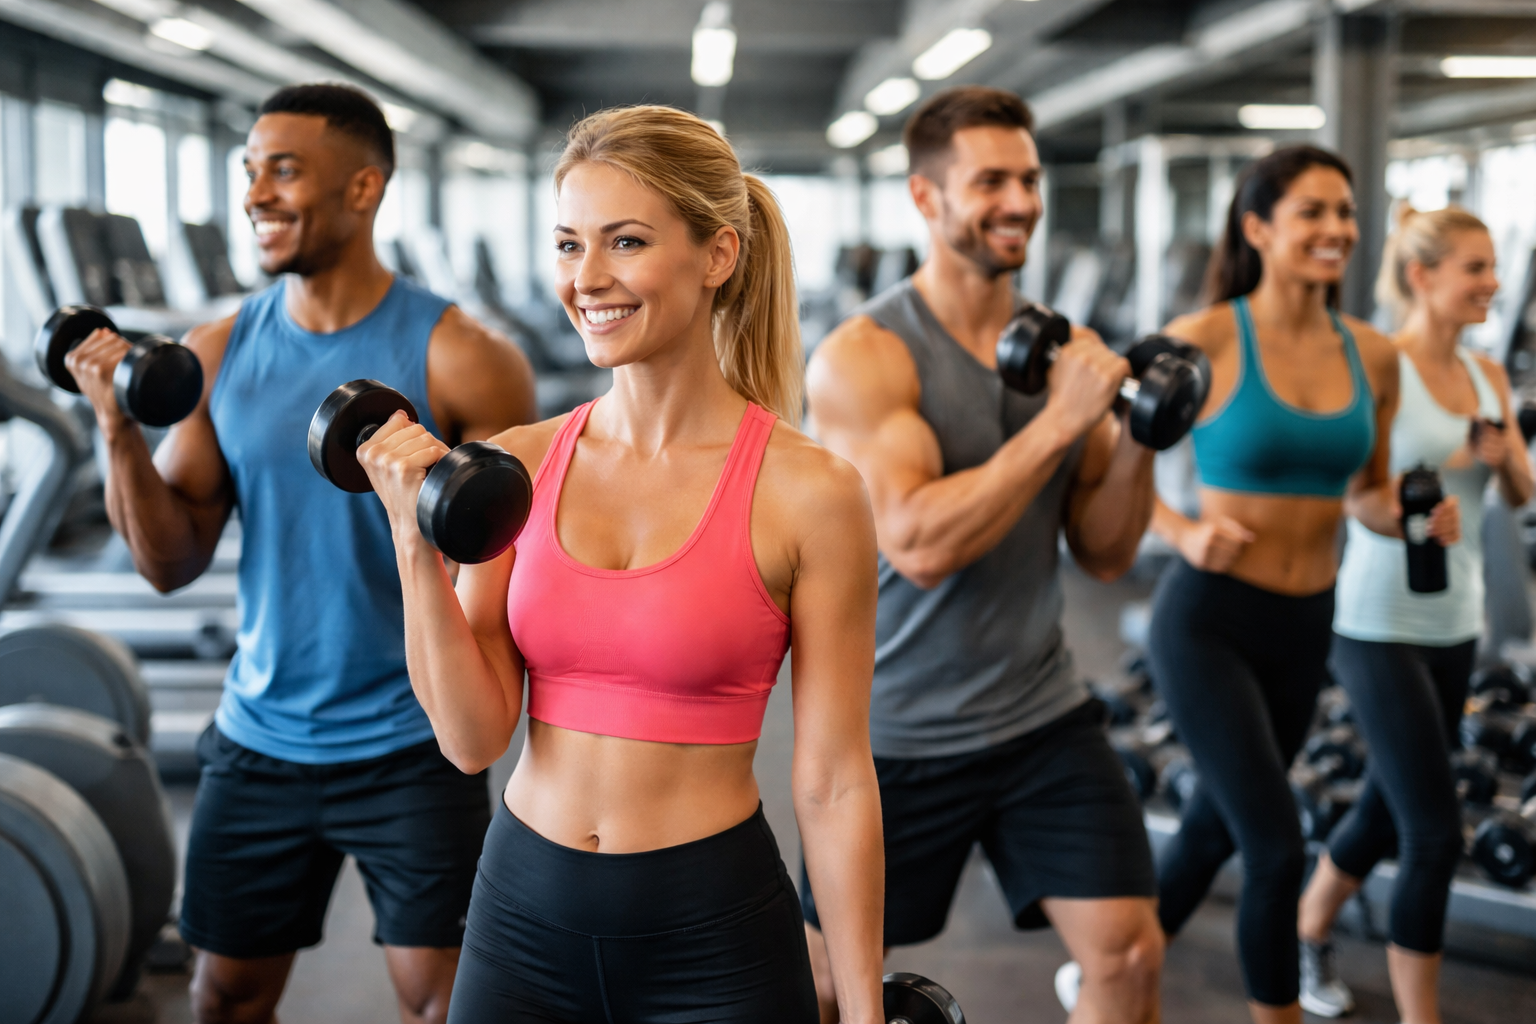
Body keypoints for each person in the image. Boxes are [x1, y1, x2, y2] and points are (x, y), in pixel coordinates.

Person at [358, 105, 885, 1023]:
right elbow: (473, 738)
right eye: (568, 245)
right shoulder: (515, 466)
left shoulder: (812, 493)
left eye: (625, 242)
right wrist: (413, 543)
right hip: (522, 913)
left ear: (717, 255)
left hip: (714, 928)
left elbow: (834, 778)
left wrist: (868, 1008)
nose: (587, 279)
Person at [63, 84, 535, 1024]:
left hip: (413, 745)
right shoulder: (221, 350)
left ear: (365, 188)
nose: (256, 194)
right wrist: (116, 429)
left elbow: (518, 580)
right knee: (225, 997)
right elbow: (169, 561)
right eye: (250, 170)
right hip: (261, 738)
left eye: (284, 169)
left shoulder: (465, 359)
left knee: (443, 1001)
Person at [804, 85, 1164, 1024]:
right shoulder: (867, 355)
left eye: (1030, 179)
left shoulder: (1064, 351)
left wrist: (1137, 439)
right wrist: (1060, 425)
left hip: (1040, 713)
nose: (1021, 201)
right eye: (992, 180)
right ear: (926, 199)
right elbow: (919, 543)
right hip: (896, 732)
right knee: (824, 985)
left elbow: (1107, 552)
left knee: (1128, 952)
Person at [1146, 147, 1460, 1024]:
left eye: (1346, 213)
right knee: (1278, 851)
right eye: (1312, 212)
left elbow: (1364, 492)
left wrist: (1409, 514)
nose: (1337, 231)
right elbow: (1102, 467)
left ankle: (1121, 963)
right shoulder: (1205, 337)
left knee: (1215, 822)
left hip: (1305, 623)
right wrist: (1180, 529)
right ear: (1258, 228)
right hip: (1207, 621)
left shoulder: (1373, 354)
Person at [1296, 205, 1532, 1023]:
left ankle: (1308, 925)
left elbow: (1521, 493)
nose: (1492, 283)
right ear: (1422, 276)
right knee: (1433, 832)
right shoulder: (1380, 367)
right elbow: (1349, 494)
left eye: (1495, 266)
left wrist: (1501, 464)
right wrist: (1427, 490)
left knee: (1385, 803)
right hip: (1375, 623)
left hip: (1455, 622)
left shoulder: (1489, 377)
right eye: (1476, 267)